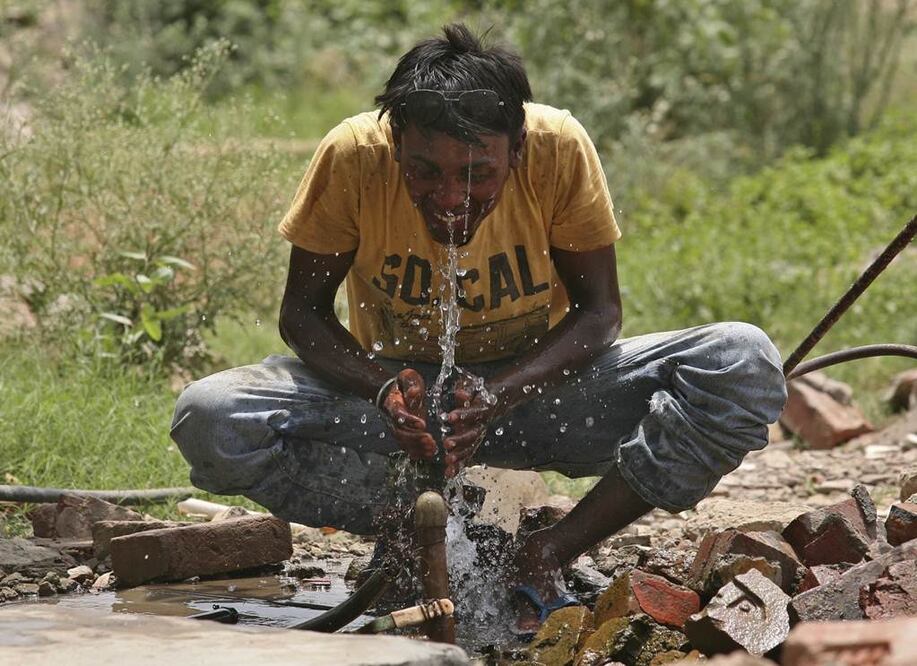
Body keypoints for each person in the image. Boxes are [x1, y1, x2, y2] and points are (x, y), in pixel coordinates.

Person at [170, 24, 787, 634]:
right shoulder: (355, 157)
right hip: (401, 412)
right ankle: (411, 527)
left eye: (477, 174)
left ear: (516, 148)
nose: (449, 197)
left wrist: (500, 394)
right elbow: (301, 315)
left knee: (741, 360)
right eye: (424, 172)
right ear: (395, 144)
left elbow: (600, 313)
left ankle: (547, 550)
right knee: (212, 416)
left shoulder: (557, 148)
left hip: (542, 397)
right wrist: (382, 390)